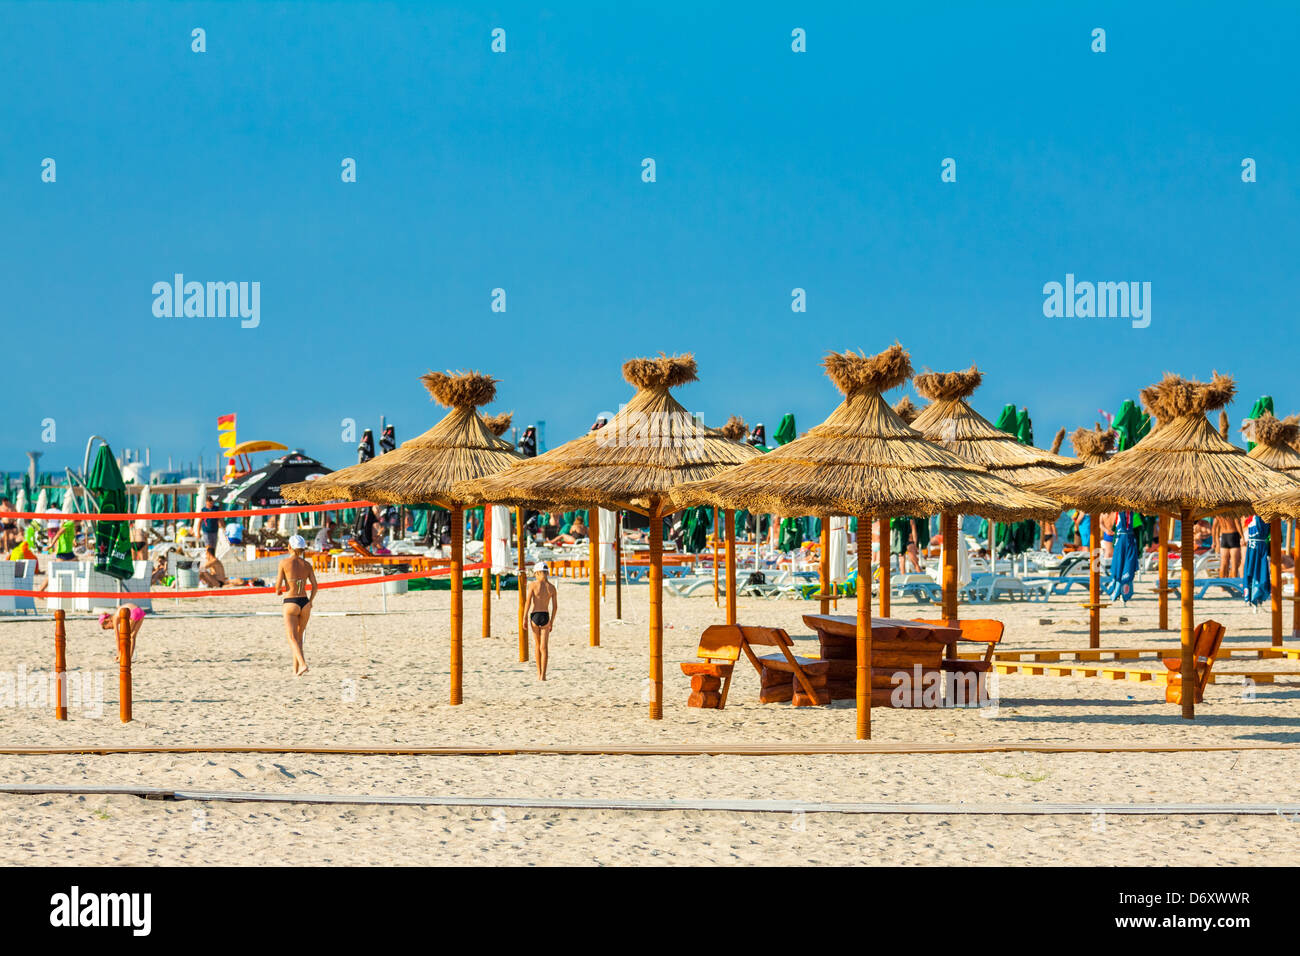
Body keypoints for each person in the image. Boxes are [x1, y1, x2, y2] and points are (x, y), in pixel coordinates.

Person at [275, 534, 318, 676]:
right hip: (304, 602)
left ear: (289, 547)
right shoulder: (307, 564)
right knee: (299, 638)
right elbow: (315, 586)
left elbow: (277, 587)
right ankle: (295, 670)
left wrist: (279, 591)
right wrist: (310, 601)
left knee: (292, 638)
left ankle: (303, 664)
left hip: (291, 601)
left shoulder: (283, 563)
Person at [525, 562, 558, 680]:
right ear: (547, 573)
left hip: (535, 615)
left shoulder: (533, 585)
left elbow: (528, 602)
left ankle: (538, 673)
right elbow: (555, 607)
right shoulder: (552, 587)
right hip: (545, 616)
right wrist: (551, 622)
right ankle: (543, 675)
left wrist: (524, 618)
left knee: (537, 646)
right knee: (544, 647)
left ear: (537, 573)